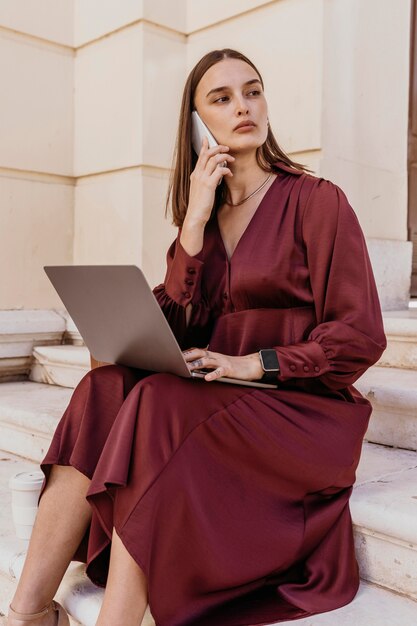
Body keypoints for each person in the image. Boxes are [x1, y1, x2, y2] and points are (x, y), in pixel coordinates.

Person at [7, 48, 387, 626]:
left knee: (158, 402)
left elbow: (360, 335)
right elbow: (174, 327)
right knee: (105, 386)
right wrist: (190, 228)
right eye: (222, 98)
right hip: (220, 404)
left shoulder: (317, 201)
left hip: (304, 413)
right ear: (195, 123)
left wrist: (251, 365)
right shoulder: (201, 223)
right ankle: (28, 612)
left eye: (252, 91)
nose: (243, 107)